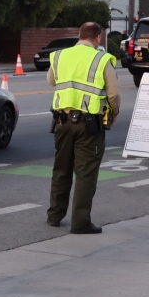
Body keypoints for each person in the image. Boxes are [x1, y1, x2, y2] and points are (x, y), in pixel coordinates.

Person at [46, 22, 121, 234]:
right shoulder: (101, 59)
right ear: (98, 38)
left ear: (80, 36)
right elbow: (114, 94)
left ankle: (54, 215)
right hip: (89, 126)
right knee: (85, 173)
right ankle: (80, 222)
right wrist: (114, 112)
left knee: (61, 169)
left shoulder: (60, 56)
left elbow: (51, 81)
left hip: (62, 121)